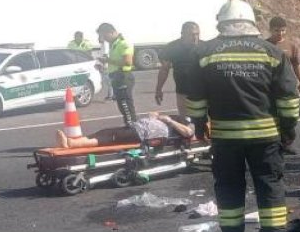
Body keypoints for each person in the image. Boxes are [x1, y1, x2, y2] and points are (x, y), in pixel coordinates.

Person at [185, 0, 300, 232]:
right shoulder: (271, 52)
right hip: (266, 136)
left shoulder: (204, 53)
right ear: (251, 23)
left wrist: (199, 124)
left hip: (226, 138)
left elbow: (195, 96)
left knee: (228, 187)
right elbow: (288, 97)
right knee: (269, 186)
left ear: (221, 23)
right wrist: (289, 129)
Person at [266, 16, 300, 155]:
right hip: (270, 89)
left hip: (287, 89)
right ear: (270, 30)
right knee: (271, 117)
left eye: (283, 30)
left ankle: (287, 143)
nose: (280, 33)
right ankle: (274, 144)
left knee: (289, 117)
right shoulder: (264, 45)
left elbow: (297, 65)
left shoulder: (291, 46)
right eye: (277, 30)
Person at [55, 112, 194, 148]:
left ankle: (72, 144)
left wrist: (169, 121)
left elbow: (189, 133)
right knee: (105, 132)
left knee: (110, 137)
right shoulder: (180, 117)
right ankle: (72, 142)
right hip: (138, 127)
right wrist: (156, 116)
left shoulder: (189, 124)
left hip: (144, 134)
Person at [154, 22, 200, 116]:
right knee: (186, 123)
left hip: (202, 92)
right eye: (191, 35)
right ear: (183, 34)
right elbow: (164, 69)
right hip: (182, 92)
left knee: (204, 124)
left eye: (197, 34)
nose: (195, 37)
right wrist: (158, 89)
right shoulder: (172, 48)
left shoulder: (204, 47)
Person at [96, 23, 135, 125]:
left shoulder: (123, 43)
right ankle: (129, 125)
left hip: (123, 76)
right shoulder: (114, 44)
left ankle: (132, 127)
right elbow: (115, 60)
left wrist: (108, 60)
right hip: (116, 77)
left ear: (112, 32)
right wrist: (105, 62)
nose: (104, 39)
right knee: (121, 105)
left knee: (126, 105)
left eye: (105, 36)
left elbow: (128, 62)